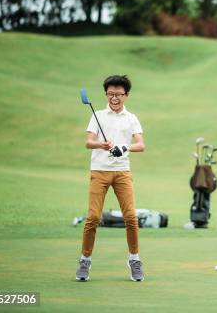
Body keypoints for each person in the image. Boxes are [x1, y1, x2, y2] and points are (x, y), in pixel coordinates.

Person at [75, 75, 146, 282]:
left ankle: (134, 259)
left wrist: (124, 147)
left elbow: (141, 145)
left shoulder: (131, 118)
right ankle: (84, 260)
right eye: (111, 94)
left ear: (126, 95)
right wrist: (101, 145)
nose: (114, 98)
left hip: (122, 172)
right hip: (99, 171)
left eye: (119, 94)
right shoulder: (97, 115)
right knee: (93, 218)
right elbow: (88, 142)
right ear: (106, 94)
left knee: (131, 218)